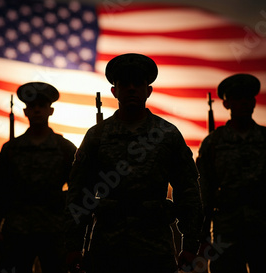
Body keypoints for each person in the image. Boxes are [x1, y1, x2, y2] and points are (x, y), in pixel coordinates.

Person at [64, 53, 203, 273]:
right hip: (107, 246)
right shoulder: (97, 136)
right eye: (124, 84)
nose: (131, 89)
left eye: (138, 83)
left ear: (148, 91)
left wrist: (191, 243)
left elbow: (188, 190)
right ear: (114, 91)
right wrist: (73, 245)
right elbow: (80, 193)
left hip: (155, 245)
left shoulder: (167, 134)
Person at [196, 73, 266, 273]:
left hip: (264, 228)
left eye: (248, 98)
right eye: (237, 98)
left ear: (254, 102)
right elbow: (204, 194)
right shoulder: (213, 143)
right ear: (226, 104)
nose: (243, 102)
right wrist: (202, 238)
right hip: (226, 232)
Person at [0, 82, 77, 273]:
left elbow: (78, 191)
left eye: (41, 105)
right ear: (26, 111)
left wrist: (74, 231)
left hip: (54, 230)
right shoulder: (11, 149)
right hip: (17, 230)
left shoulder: (65, 148)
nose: (37, 110)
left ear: (50, 110)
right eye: (32, 106)